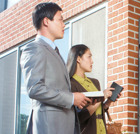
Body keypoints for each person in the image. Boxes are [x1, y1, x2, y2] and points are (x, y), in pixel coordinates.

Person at [20, 2, 91, 134]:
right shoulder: (34, 48)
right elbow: (35, 88)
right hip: (49, 126)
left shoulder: (54, 51)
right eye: (60, 20)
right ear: (46, 21)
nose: (64, 24)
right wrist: (71, 98)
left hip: (62, 125)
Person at [67, 44, 118, 134]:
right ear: (78, 59)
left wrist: (108, 101)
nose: (92, 61)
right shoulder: (70, 84)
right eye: (89, 57)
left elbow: (98, 110)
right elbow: (78, 117)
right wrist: (102, 96)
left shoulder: (95, 82)